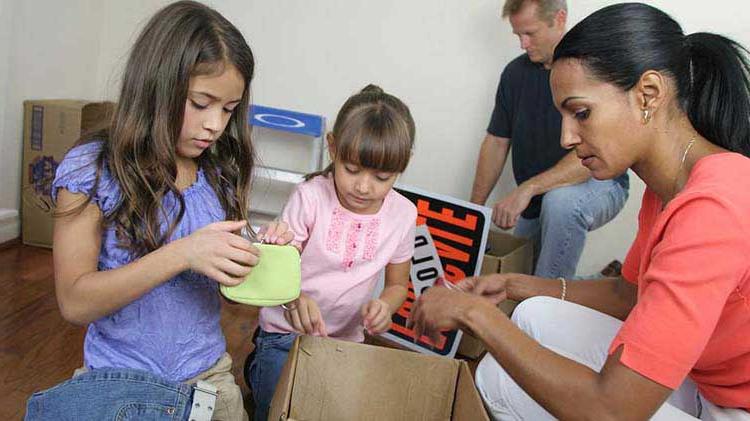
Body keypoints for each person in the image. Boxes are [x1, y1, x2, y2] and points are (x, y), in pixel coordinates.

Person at [411, 3, 750, 419]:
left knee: (501, 380)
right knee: (532, 314)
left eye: (581, 113)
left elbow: (611, 411)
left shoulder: (714, 207)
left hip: (733, 407)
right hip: (702, 378)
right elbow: (628, 294)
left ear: (648, 94)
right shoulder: (666, 189)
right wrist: (514, 285)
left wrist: (474, 314)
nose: (566, 137)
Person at [48, 2, 293, 420]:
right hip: (120, 382)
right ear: (156, 86)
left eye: (228, 109)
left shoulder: (220, 171)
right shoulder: (92, 169)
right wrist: (182, 253)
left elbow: (228, 298)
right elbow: (74, 302)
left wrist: (258, 260)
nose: (216, 124)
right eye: (201, 103)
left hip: (209, 380)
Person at [247, 84, 417, 421]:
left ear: (402, 166)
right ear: (333, 149)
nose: (363, 186)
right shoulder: (310, 197)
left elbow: (398, 285)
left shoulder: (403, 213)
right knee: (275, 410)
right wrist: (293, 297)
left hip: (346, 339)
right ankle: (257, 369)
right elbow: (277, 270)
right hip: (285, 334)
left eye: (382, 177)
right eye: (352, 170)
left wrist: (386, 306)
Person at [470, 0, 628, 278]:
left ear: (559, 18)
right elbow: (496, 142)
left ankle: (543, 313)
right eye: (518, 35)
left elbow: (597, 152)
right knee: (517, 276)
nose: (523, 44)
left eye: (530, 33)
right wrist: (473, 212)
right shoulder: (514, 74)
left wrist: (527, 189)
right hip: (537, 197)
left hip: (600, 184)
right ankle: (604, 280)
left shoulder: (594, 72)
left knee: (561, 204)